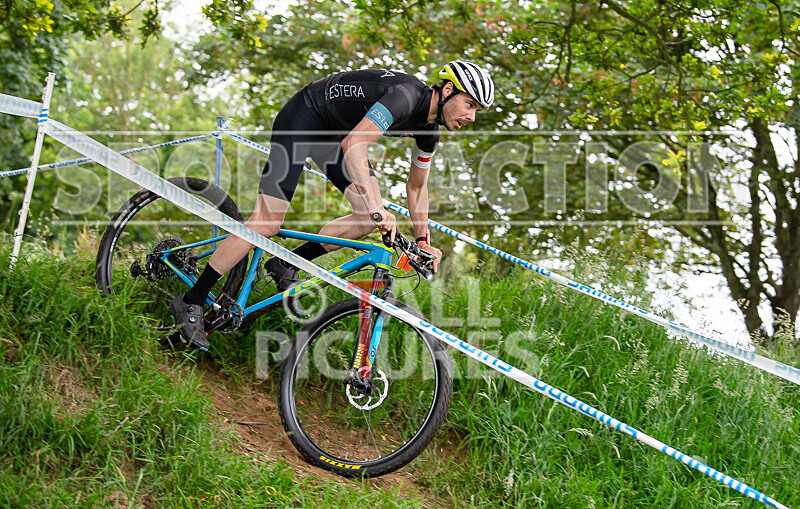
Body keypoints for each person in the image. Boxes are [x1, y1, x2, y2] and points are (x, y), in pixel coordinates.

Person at [170, 60, 495, 349]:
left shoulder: (429, 132)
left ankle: (287, 264)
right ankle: (191, 299)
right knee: (268, 223)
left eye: (477, 109)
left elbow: (416, 186)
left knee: (367, 219)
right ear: (448, 90)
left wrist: (423, 242)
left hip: (336, 137)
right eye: (469, 104)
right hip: (304, 118)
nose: (471, 115)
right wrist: (377, 206)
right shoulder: (406, 96)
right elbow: (356, 144)